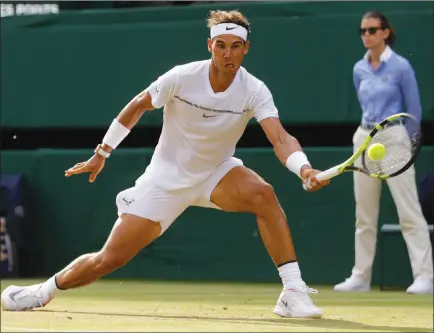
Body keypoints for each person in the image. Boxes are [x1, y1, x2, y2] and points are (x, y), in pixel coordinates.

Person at [1, 10, 330, 317]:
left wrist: (303, 167)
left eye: (236, 46)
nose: (227, 54)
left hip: (217, 173)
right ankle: (41, 292)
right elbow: (137, 106)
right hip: (164, 182)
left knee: (264, 195)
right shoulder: (181, 78)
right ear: (210, 46)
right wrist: (102, 152)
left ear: (246, 49)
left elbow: (281, 138)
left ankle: (292, 291)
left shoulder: (255, 90)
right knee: (108, 259)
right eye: (221, 46)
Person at [334, 11, 433, 294]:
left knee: (409, 211)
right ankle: (360, 277)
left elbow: (413, 109)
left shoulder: (401, 67)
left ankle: (425, 276)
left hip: (395, 137)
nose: (367, 35)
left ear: (385, 32)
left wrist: (411, 146)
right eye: (363, 31)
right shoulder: (358, 69)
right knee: (364, 214)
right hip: (365, 139)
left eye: (372, 30)